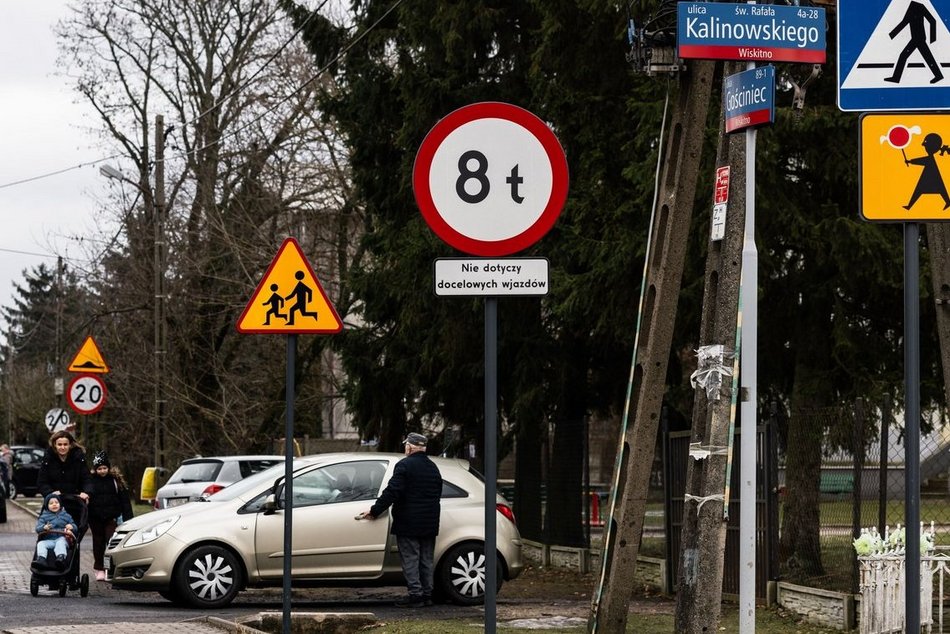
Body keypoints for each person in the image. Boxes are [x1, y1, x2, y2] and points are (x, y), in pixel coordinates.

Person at [357, 432, 442, 608]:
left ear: (410, 447)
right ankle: (427, 595)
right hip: (429, 522)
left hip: (409, 522)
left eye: (406, 445)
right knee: (426, 559)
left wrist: (375, 510)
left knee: (410, 559)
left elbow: (392, 491)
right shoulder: (433, 467)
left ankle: (415, 595)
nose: (405, 448)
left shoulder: (404, 466)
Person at [87, 451, 134, 581]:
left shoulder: (115, 481)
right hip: (95, 518)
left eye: (104, 468)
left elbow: (124, 501)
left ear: (108, 468)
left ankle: (110, 567)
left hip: (111, 517)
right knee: (98, 542)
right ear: (95, 469)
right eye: (99, 469)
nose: (102, 471)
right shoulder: (90, 481)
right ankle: (99, 568)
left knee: (111, 541)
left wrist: (128, 518)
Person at [37, 431, 92, 503]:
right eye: (59, 444)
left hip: (75, 501)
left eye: (65, 444)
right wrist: (50, 493)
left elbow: (87, 479)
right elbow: (42, 482)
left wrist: (86, 492)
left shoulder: (78, 459)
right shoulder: (48, 460)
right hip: (54, 502)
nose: (62, 447)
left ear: (70, 445)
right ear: (55, 445)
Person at [35, 492, 76, 569]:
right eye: (51, 503)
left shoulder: (66, 516)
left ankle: (61, 558)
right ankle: (41, 559)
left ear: (60, 504)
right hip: (49, 540)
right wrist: (44, 527)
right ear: (47, 506)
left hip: (62, 538)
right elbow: (37, 529)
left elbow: (75, 527)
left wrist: (72, 526)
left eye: (56, 502)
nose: (54, 504)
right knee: (41, 544)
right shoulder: (44, 517)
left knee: (60, 543)